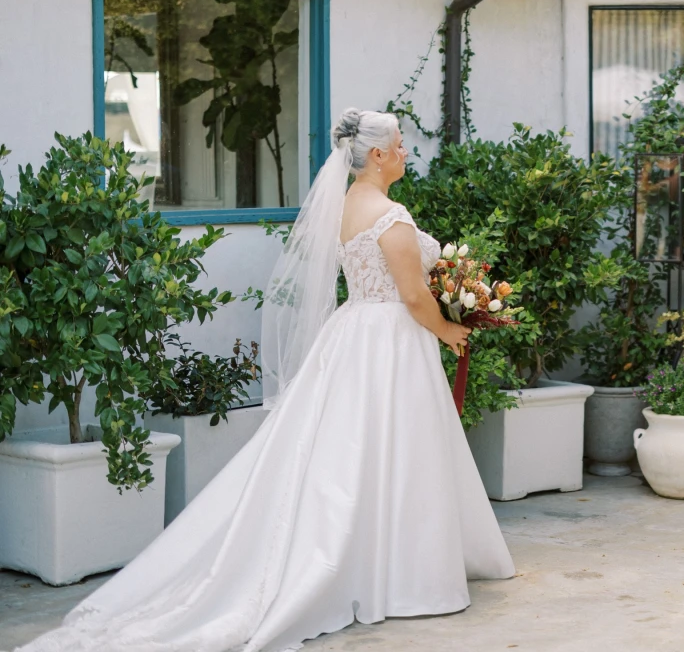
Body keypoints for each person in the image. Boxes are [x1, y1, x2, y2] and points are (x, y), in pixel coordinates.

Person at [18, 109, 515, 652]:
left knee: (355, 453)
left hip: (356, 334)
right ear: (376, 155)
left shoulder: (350, 206)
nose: (404, 153)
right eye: (398, 145)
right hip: (390, 341)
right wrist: (449, 330)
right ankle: (399, 573)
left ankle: (378, 562)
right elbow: (414, 296)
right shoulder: (390, 215)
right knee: (393, 451)